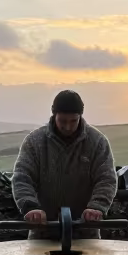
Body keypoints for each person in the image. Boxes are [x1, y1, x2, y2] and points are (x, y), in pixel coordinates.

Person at [11, 89, 117, 239]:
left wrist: (97, 206)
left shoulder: (97, 142)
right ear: (54, 115)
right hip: (43, 231)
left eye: (73, 121)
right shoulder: (34, 142)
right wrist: (30, 207)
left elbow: (106, 179)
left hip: (85, 231)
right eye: (63, 121)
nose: (68, 127)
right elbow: (22, 177)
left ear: (80, 116)